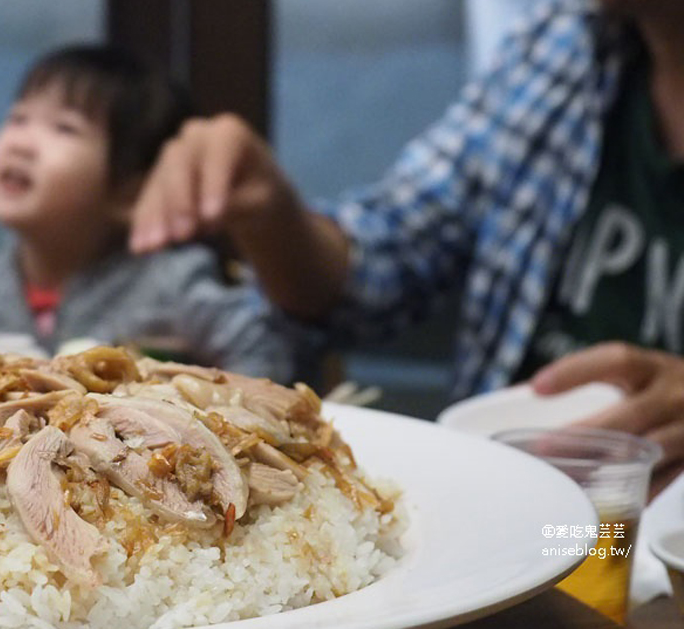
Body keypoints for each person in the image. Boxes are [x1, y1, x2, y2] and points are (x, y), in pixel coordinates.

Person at [127, 0, 684, 480]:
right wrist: (271, 214)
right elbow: (390, 260)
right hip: (519, 515)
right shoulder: (570, 42)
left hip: (641, 540)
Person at [0, 44, 312, 383]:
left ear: (131, 192)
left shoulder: (170, 284)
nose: (21, 143)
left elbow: (263, 355)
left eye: (63, 128)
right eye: (18, 118)